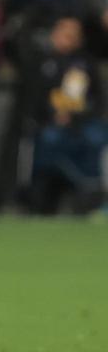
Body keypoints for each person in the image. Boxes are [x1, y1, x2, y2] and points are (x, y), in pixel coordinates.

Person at [19, 14, 108, 214]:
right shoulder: (42, 63)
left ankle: (91, 192)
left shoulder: (86, 63)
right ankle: (52, 191)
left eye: (73, 34)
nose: (67, 38)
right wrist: (52, 115)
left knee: (96, 137)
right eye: (63, 33)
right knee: (50, 140)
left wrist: (78, 116)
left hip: (83, 121)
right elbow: (34, 99)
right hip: (50, 122)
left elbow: (98, 101)